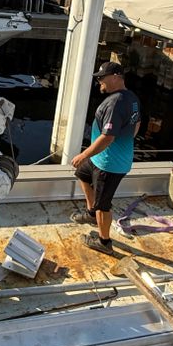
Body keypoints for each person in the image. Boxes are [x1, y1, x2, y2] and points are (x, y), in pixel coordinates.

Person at [70, 61, 141, 255]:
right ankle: (92, 213)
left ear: (116, 77)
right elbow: (137, 124)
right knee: (82, 174)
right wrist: (124, 142)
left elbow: (108, 136)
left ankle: (104, 242)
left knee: (104, 205)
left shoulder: (116, 102)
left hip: (109, 165)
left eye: (102, 77)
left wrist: (83, 154)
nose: (99, 81)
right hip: (102, 159)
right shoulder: (131, 98)